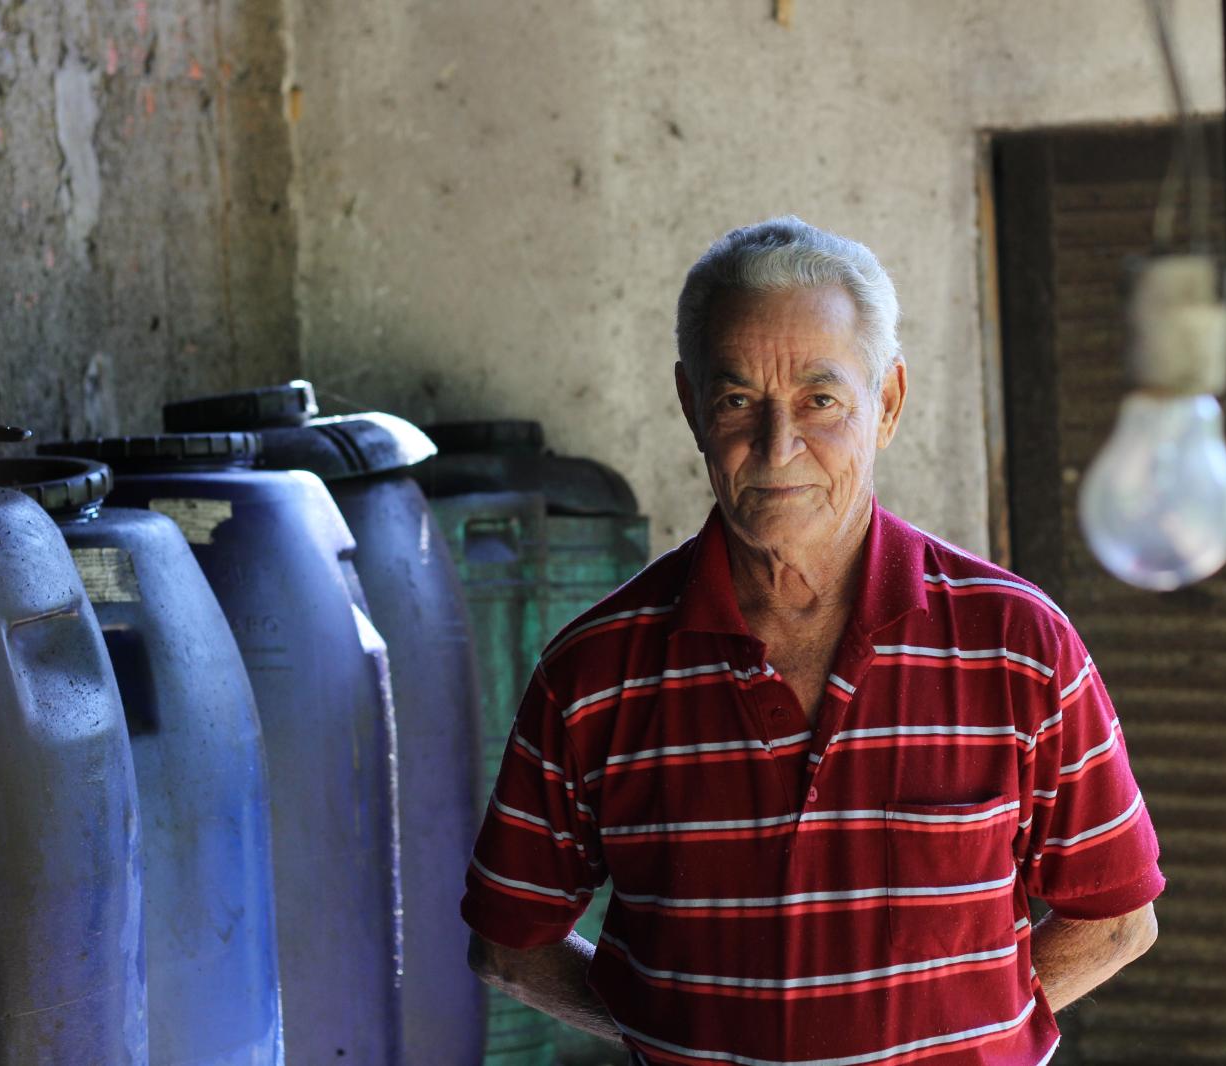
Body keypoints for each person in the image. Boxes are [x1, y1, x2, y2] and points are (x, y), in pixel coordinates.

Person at [461, 216, 1163, 1065]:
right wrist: (680, 1031)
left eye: (819, 400)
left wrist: (973, 1034)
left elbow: (1116, 918)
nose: (777, 445)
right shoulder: (592, 676)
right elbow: (511, 941)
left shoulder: (1017, 645)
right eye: (736, 401)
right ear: (691, 408)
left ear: (888, 403)